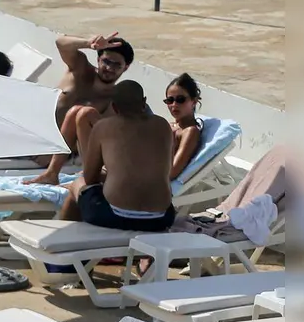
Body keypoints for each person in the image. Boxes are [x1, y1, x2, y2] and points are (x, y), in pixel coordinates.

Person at [58, 81, 176, 232]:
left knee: (78, 185)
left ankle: (68, 244)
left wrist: (110, 175)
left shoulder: (103, 127)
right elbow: (166, 170)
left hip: (115, 216)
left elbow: (90, 178)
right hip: (162, 218)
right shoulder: (163, 125)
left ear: (114, 106)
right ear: (144, 102)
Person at [25, 34, 134, 185]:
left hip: (52, 154)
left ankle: (52, 172)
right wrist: (88, 43)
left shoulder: (114, 100)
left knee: (82, 113)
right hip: (30, 135)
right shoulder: (80, 68)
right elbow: (61, 42)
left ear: (126, 67)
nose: (109, 68)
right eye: (106, 61)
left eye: (117, 65)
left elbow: (101, 140)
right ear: (98, 59)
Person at [164, 73, 204, 181]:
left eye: (180, 99)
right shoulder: (170, 126)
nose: (174, 105)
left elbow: (172, 172)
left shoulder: (189, 131)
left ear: (194, 101)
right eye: (170, 100)